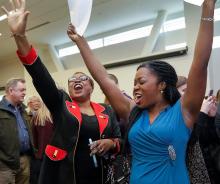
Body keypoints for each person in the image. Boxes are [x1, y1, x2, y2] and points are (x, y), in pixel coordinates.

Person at [66, 0, 216, 183]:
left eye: (141, 82)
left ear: (161, 85)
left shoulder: (183, 111)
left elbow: (200, 62)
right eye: (134, 83)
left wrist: (207, 8)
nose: (135, 87)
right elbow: (104, 79)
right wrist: (80, 41)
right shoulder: (133, 112)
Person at [2, 1, 121, 184]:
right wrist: (20, 36)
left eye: (82, 79)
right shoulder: (61, 104)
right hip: (64, 176)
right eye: (72, 80)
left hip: (99, 175)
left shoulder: (106, 110)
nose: (76, 81)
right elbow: (40, 74)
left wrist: (111, 143)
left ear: (92, 87)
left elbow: (120, 139)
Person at [0, 78, 34, 184]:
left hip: (24, 160)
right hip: (5, 164)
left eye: (25, 90)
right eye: (21, 90)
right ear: (11, 91)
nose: (24, 93)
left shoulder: (23, 109)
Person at [30, 102, 54, 184]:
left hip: (40, 156)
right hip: (55, 156)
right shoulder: (58, 115)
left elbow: (33, 139)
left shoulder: (37, 116)